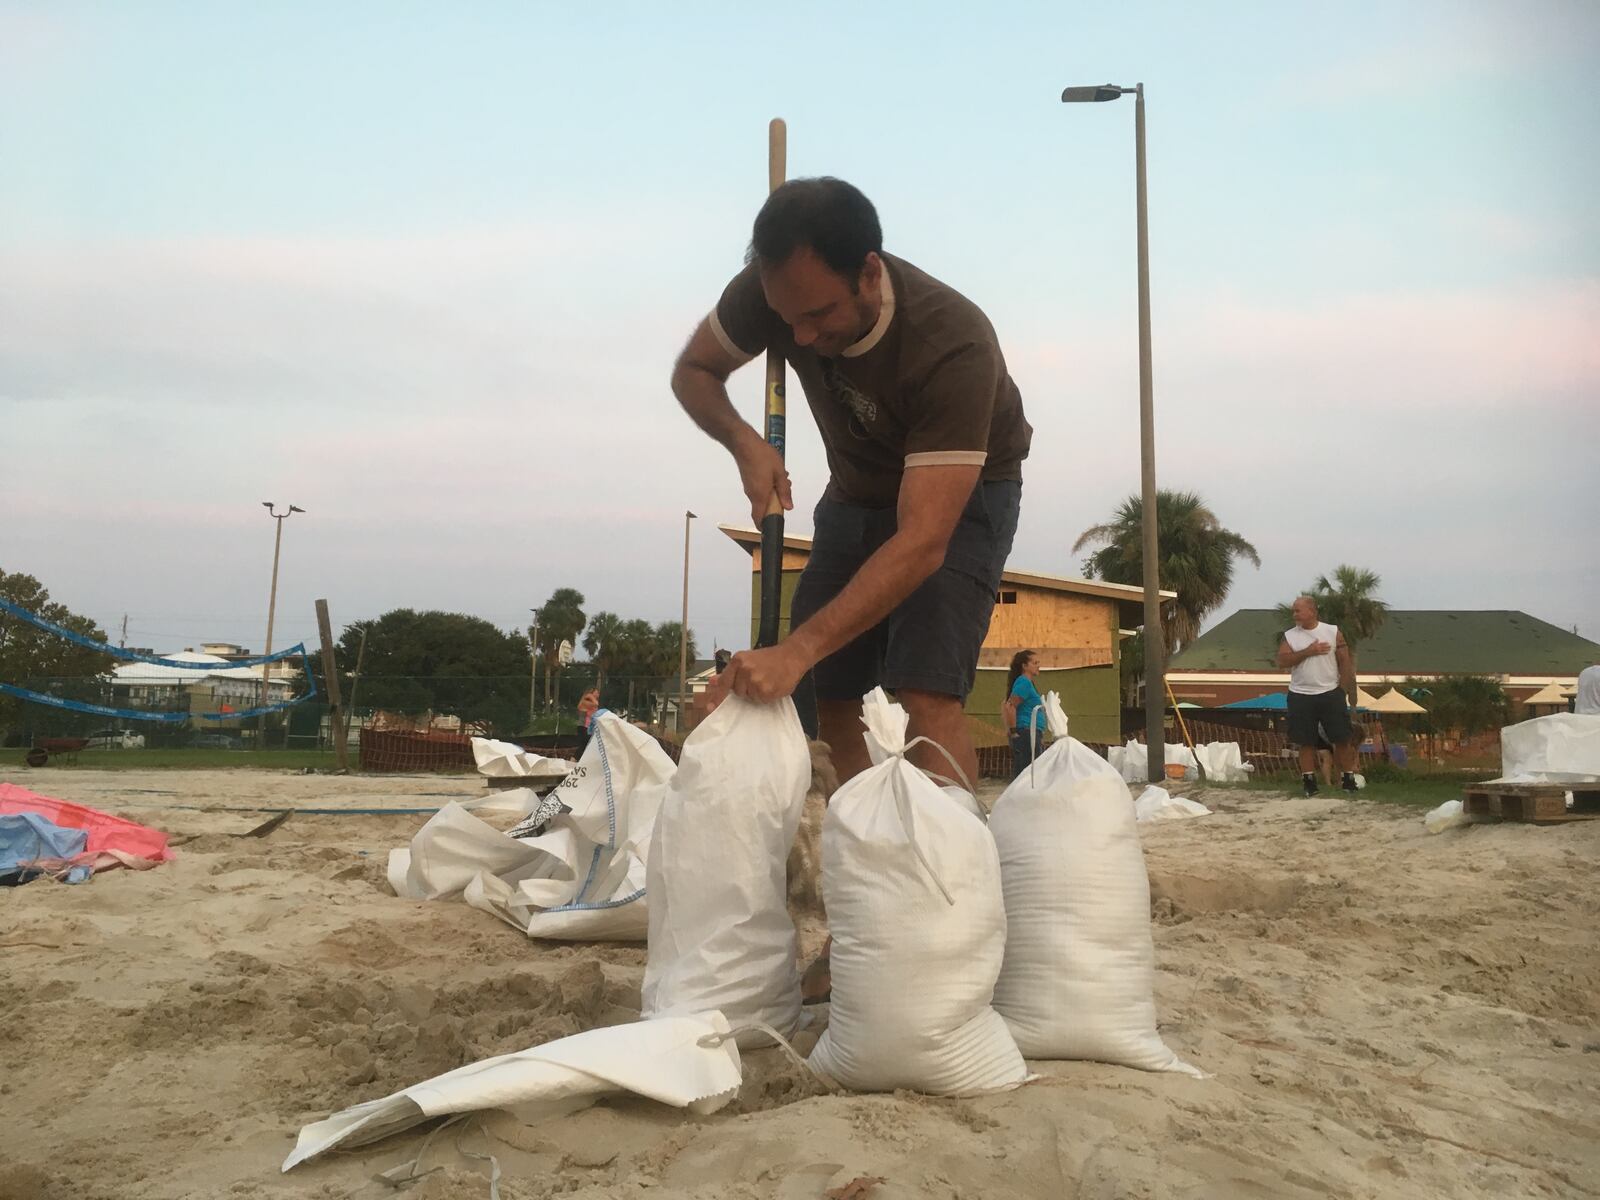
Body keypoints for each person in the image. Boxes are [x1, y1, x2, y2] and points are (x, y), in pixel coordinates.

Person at [672, 177, 1032, 790]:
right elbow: (694, 371)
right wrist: (745, 444)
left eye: (818, 315)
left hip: (962, 495)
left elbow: (921, 542)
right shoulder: (772, 289)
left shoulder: (952, 342)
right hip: (855, 490)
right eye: (788, 320)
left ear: (868, 273)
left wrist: (794, 650)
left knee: (925, 685)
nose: (803, 337)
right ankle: (855, 844)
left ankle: (948, 863)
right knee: (828, 684)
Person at [1276, 596, 1358, 797]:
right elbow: (1282, 660)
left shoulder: (1332, 632)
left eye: (1298, 610)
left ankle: (1348, 779)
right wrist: (1309, 651)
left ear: (1312, 611)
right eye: (1293, 611)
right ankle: (1309, 782)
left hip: (1330, 693)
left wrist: (1342, 688)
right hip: (1301, 695)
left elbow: (1345, 661)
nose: (1294, 614)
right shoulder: (1290, 636)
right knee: (1306, 741)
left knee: (1342, 738)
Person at [1003, 649, 1047, 779]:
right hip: (1026, 732)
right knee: (1027, 774)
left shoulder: (1028, 683)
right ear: (1024, 666)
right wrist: (1013, 731)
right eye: (1035, 662)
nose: (1038, 665)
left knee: (1030, 772)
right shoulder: (1024, 683)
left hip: (1031, 732)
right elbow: (1010, 706)